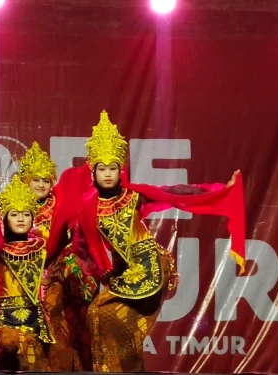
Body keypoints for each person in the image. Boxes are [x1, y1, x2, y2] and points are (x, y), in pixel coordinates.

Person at [79, 110, 246, 372]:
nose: (108, 173)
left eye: (113, 167)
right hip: (123, 273)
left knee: (103, 313)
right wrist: (100, 273)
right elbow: (83, 248)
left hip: (148, 268)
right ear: (93, 172)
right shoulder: (88, 208)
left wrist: (220, 189)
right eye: (102, 168)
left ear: (120, 169)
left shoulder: (133, 197)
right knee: (103, 319)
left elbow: (175, 193)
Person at [17, 142, 97, 371]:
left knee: (66, 330)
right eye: (36, 180)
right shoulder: (16, 209)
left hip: (57, 278)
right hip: (25, 280)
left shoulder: (59, 204)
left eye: (46, 181)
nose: (41, 185)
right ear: (26, 182)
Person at [0, 174, 56, 371]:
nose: (20, 218)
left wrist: (45, 280)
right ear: (5, 218)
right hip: (5, 319)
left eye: (26, 214)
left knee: (36, 360)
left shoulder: (41, 247)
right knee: (10, 347)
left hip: (35, 317)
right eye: (14, 214)